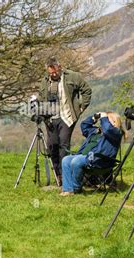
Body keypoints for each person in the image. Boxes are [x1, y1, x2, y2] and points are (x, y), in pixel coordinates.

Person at [39, 57, 92, 185]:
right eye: (50, 73)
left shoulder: (73, 76)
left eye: (55, 72)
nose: (53, 74)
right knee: (52, 146)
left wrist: (81, 107)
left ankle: (65, 177)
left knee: (64, 146)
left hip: (67, 117)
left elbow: (86, 90)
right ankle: (57, 175)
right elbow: (41, 97)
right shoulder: (45, 82)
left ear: (60, 67)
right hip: (50, 119)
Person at [60, 112, 122, 196]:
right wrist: (93, 118)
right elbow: (84, 126)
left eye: (107, 119)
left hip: (99, 160)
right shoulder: (96, 131)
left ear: (115, 122)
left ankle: (76, 188)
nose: (104, 121)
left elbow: (107, 129)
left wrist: (103, 117)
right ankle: (68, 190)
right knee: (66, 160)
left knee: (76, 161)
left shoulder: (116, 133)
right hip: (85, 157)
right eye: (104, 119)